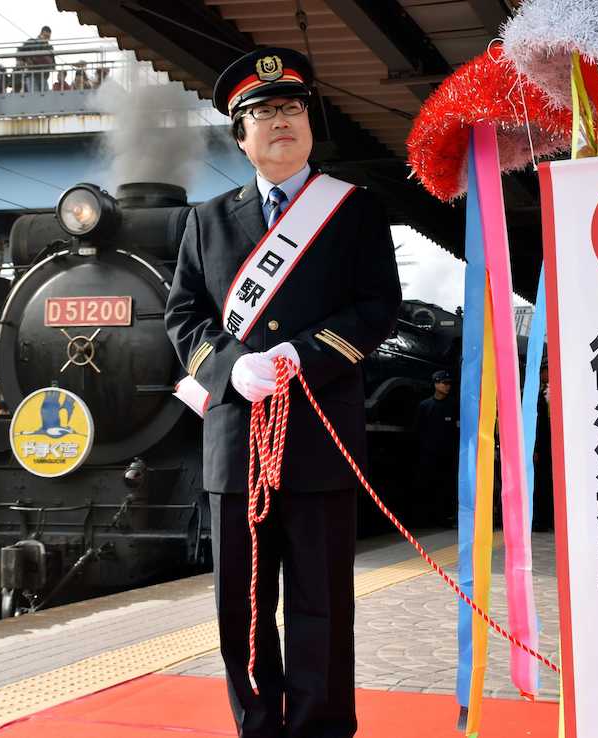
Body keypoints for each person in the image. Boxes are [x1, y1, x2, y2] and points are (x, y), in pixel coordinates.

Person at [165, 47, 401, 738]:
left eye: (292, 109)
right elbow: (182, 315)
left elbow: (376, 308)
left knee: (320, 603)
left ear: (309, 123)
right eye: (262, 113)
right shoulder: (206, 221)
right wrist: (228, 367)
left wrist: (301, 354)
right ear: (241, 138)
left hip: (321, 435)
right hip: (237, 444)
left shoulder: (353, 211)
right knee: (241, 606)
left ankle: (321, 728)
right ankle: (258, 727)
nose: (280, 122)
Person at [414, 370, 459, 526]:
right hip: (429, 454)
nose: (447, 386)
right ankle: (427, 517)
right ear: (435, 384)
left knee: (446, 486)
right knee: (428, 485)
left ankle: (445, 517)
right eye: (444, 383)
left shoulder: (453, 405)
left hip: (447, 454)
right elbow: (419, 429)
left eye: (449, 384)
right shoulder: (425, 406)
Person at [531, 360, 554, 532]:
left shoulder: (550, 392)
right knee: (540, 483)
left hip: (547, 445)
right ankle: (540, 519)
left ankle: (545, 519)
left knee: (545, 483)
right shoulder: (537, 391)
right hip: (540, 444)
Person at [16, 25, 55, 93]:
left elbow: (53, 65)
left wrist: (50, 65)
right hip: (32, 75)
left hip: (43, 76)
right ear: (41, 33)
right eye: (45, 36)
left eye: (48, 37)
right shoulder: (31, 42)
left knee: (45, 97)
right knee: (35, 97)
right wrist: (23, 61)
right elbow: (19, 52)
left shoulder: (49, 48)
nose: (46, 39)